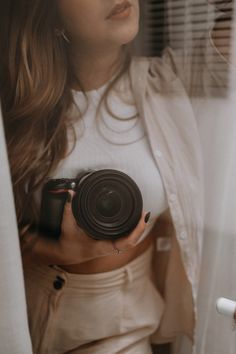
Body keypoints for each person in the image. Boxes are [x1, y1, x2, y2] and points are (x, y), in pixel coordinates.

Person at [0, 1, 203, 353]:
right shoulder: (17, 104)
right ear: (48, 14)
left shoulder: (167, 81)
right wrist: (55, 247)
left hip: (128, 322)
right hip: (24, 316)